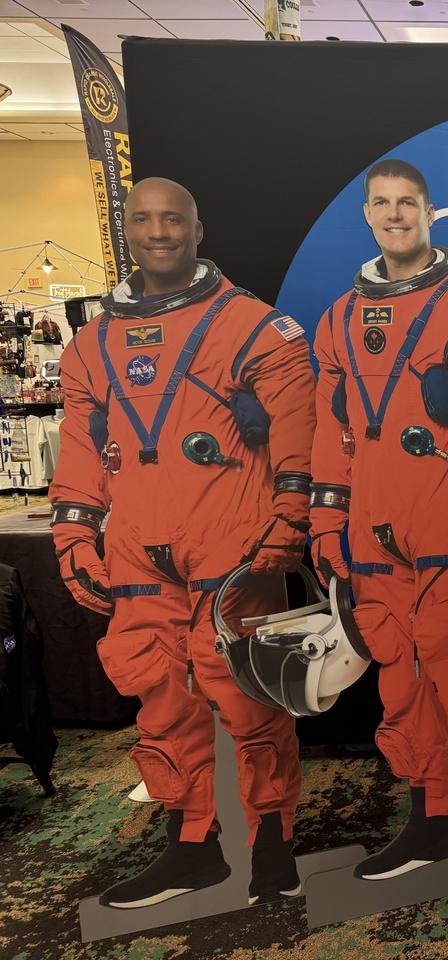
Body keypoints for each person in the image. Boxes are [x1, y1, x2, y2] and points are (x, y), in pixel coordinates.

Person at [49, 177, 316, 907]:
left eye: (174, 219)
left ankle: (271, 845)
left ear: (198, 231)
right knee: (159, 697)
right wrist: (74, 532)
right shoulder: (91, 346)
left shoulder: (255, 328)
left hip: (231, 538)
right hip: (137, 543)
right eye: (144, 219)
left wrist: (291, 514)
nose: (159, 231)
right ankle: (192, 844)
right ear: (125, 230)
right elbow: (80, 446)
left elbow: (300, 429)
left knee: (246, 697)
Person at [309, 158, 448, 889]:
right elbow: (331, 432)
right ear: (366, 214)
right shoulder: (339, 317)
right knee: (400, 685)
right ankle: (431, 822)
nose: (395, 214)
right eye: (382, 203)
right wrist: (325, 522)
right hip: (372, 536)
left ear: (430, 212)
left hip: (445, 532)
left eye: (408, 203)